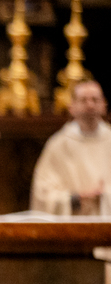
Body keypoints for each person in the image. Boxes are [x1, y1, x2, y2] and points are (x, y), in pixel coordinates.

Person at [31, 81, 111, 215]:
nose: (90, 105)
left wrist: (104, 196)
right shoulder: (58, 144)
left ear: (104, 105)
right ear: (72, 107)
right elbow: (42, 193)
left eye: (95, 100)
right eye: (83, 100)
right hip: (72, 223)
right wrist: (74, 200)